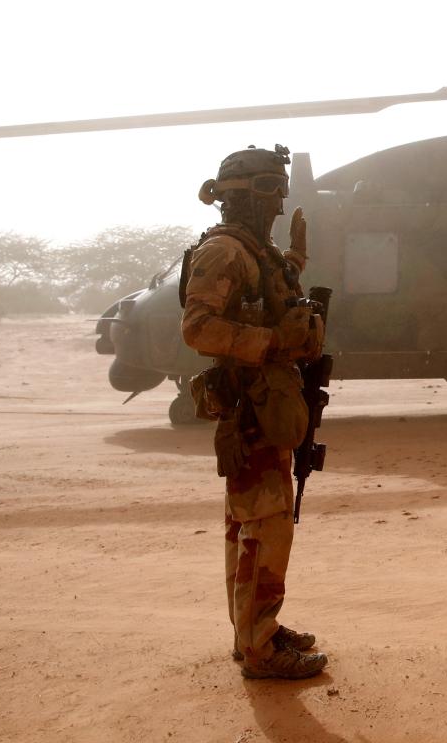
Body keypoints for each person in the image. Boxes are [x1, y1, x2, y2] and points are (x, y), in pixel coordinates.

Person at [180, 145, 328, 680]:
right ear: (236, 196)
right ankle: (261, 647)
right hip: (251, 405)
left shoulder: (255, 251)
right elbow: (198, 328)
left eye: (281, 190)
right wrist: (272, 342)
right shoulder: (224, 251)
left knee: (250, 526)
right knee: (264, 527)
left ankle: (254, 629)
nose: (278, 203)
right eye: (268, 190)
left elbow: (262, 294)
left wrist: (295, 262)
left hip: (268, 401)